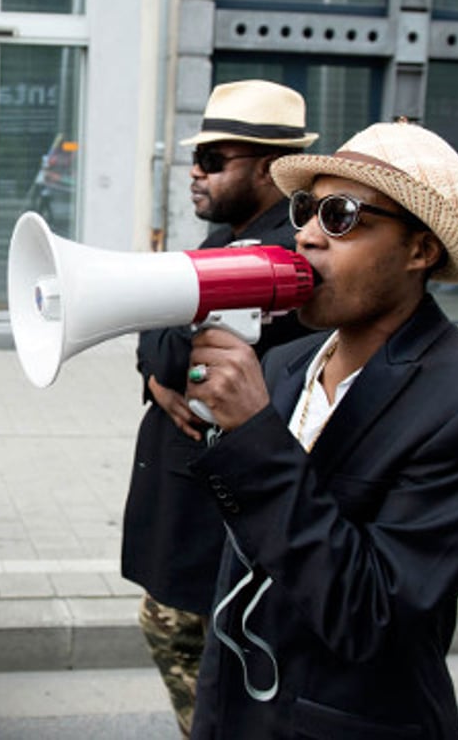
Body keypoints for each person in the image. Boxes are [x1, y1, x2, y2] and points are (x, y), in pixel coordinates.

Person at [182, 120, 458, 739]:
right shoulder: (286, 363)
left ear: (420, 251)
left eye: (341, 216)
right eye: (306, 210)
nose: (306, 235)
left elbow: (370, 614)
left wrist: (255, 436)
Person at [121, 80, 317, 738]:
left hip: (218, 518)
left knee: (213, 669)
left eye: (213, 160)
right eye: (194, 159)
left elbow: (178, 345)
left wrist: (163, 354)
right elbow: (155, 335)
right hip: (191, 498)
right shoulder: (222, 236)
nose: (195, 174)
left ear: (267, 169)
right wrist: (157, 373)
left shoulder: (282, 257)